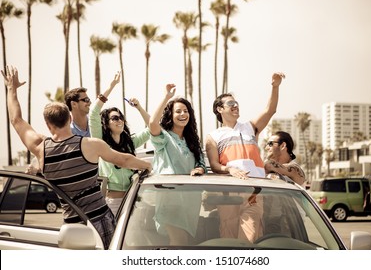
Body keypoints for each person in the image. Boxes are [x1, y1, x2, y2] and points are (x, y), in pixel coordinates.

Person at [2, 66, 152, 249]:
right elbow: (124, 160)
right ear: (70, 119)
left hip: (72, 225)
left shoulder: (41, 149)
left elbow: (16, 120)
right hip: (100, 221)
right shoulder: (89, 145)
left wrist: (12, 89)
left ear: (48, 125)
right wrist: (147, 165)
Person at [205, 72, 285, 242]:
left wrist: (275, 86)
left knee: (249, 238)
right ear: (220, 109)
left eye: (237, 103)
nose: (236, 106)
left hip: (254, 192)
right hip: (228, 194)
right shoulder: (212, 136)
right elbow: (213, 165)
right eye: (231, 103)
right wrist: (229, 169)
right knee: (229, 239)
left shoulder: (250, 127)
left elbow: (270, 110)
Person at [149, 83, 207, 245]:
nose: (183, 114)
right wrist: (167, 97)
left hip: (190, 201)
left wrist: (200, 170)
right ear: (170, 115)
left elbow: (201, 164)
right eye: (178, 111)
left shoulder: (192, 141)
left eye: (186, 111)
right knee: (179, 242)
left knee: (184, 243)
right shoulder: (164, 137)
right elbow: (153, 124)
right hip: (169, 199)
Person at [89, 71, 150, 215]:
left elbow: (152, 128)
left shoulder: (131, 142)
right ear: (106, 123)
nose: (119, 120)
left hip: (133, 200)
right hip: (112, 202)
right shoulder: (100, 141)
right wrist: (111, 86)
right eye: (115, 118)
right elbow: (93, 113)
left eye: (121, 117)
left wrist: (139, 107)